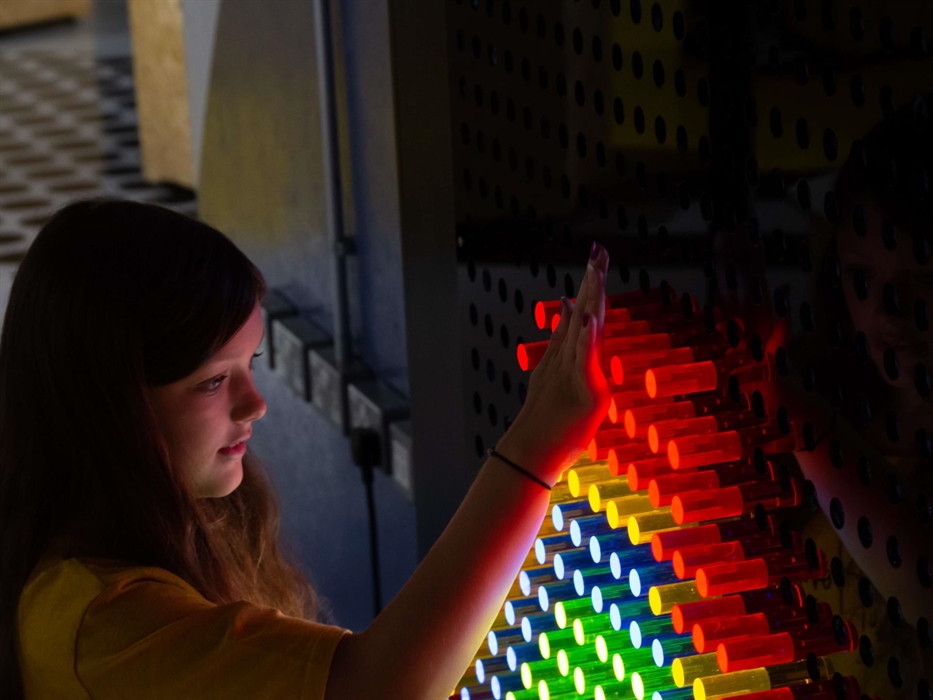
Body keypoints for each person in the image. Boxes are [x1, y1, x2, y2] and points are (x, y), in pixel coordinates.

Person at [0, 197, 611, 699]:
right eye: (213, 381)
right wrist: (535, 447)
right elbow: (380, 690)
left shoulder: (103, 554)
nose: (254, 404)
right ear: (109, 406)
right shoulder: (102, 626)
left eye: (250, 364)